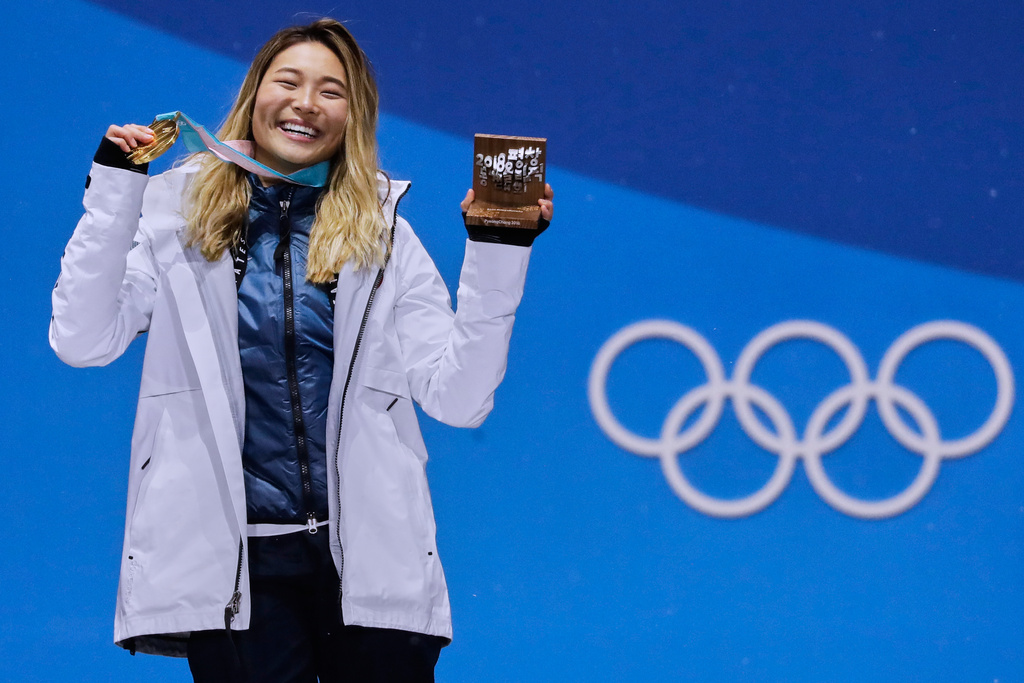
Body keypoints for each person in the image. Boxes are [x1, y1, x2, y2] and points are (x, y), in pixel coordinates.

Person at [49, 18, 553, 683]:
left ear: (353, 117)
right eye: (288, 81)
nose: (306, 102)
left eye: (331, 91)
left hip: (370, 566)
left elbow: (460, 399)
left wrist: (498, 248)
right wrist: (117, 189)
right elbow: (82, 339)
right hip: (237, 574)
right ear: (256, 93)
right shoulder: (176, 217)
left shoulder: (384, 234)